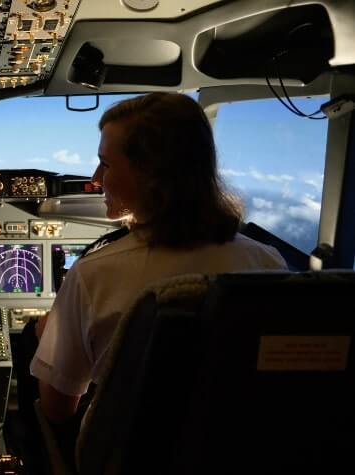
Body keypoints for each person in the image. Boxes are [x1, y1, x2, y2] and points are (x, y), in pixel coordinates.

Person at [30, 92, 288, 424]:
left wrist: (46, 338)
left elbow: (58, 410)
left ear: (151, 174)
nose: (95, 178)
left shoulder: (93, 273)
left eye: (106, 164)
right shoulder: (266, 265)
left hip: (128, 450)